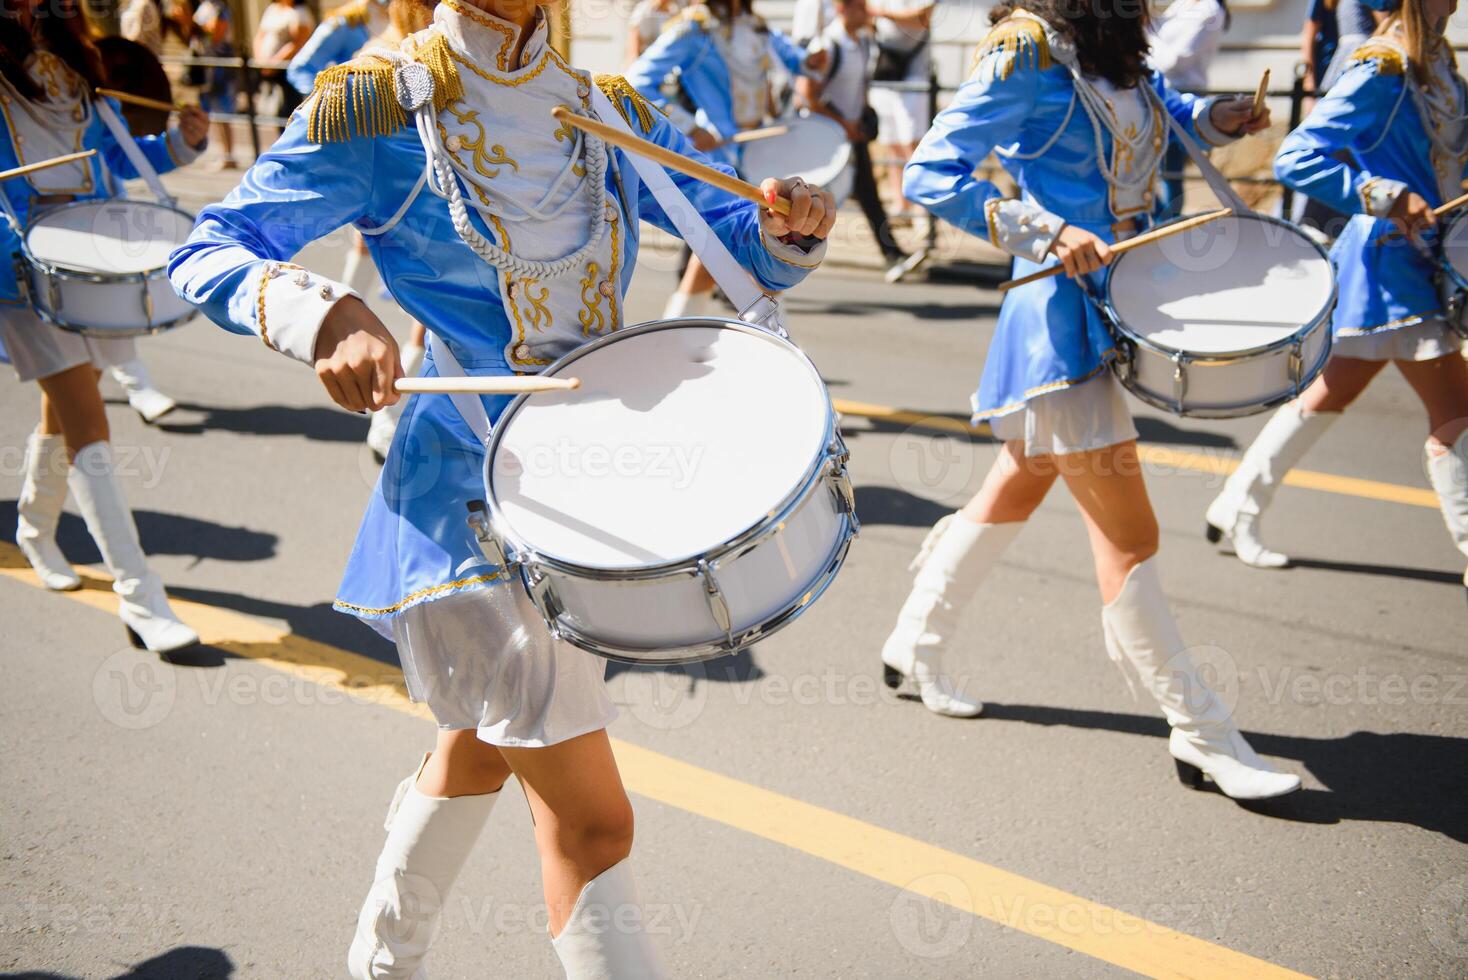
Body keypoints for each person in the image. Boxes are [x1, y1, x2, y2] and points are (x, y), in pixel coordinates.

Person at [167, 0, 835, 972]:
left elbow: (743, 245)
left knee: (480, 745)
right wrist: (326, 312)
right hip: (469, 503)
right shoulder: (382, 110)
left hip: (596, 494)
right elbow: (211, 247)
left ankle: (378, 961)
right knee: (595, 823)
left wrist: (794, 223)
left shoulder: (606, 109)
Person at [887, 3, 1298, 801]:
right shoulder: (1025, 50)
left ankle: (914, 641)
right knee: (1132, 536)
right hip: (1059, 322)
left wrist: (1219, 117)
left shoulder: (1109, 46)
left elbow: (1158, 117)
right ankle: (1203, 732)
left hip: (1132, 299)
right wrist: (1042, 229)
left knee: (1020, 479)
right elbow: (928, 171)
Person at [1206, 0, 1468, 602]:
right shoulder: (1382, 66)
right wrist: (1383, 194)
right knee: (1455, 417)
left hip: (1426, 261)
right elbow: (1297, 156)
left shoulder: (1439, 60)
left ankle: (1236, 505)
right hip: (1391, 264)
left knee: (1332, 391)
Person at [2, 0, 209, 652]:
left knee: (66, 407)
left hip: (94, 250)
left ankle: (34, 529)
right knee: (89, 419)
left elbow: (120, 158)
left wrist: (182, 142)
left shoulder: (73, 59)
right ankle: (140, 597)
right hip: (21, 266)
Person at [627, 0, 827, 317]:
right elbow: (638, 80)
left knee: (725, 250)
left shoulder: (756, 24)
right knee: (723, 248)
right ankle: (765, 342)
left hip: (762, 154)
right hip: (717, 155)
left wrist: (813, 59)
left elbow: (794, 60)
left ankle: (687, 340)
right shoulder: (693, 28)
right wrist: (690, 126)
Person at [285, 0, 422, 462]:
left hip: (445, 169)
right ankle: (376, 397)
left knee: (433, 315)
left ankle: (389, 418)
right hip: (389, 164)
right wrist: (350, 114)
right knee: (366, 269)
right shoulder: (352, 22)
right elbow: (303, 70)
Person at [796, 0, 917, 281]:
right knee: (814, 196)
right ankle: (789, 253)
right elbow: (807, 95)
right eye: (859, 6)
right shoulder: (827, 45)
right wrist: (843, 124)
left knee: (868, 195)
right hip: (825, 140)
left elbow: (859, 88)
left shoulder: (863, 44)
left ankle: (892, 254)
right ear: (843, 9)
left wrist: (861, 119)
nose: (866, 11)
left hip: (851, 136)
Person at [1147, 0, 1228, 217]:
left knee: (1171, 170)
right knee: (1151, 169)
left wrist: (1142, 35)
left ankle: (1168, 223)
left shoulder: (1210, 9)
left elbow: (1175, 60)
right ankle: (1161, 222)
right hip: (1158, 91)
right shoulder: (1183, 3)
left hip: (1181, 94)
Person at [252, 0, 314, 137]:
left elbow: (299, 42)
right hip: (269, 71)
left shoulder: (300, 12)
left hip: (288, 72)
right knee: (276, 111)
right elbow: (260, 36)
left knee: (289, 112)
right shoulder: (272, 9)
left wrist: (275, 63)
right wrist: (261, 61)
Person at [192, 0, 238, 169]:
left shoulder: (221, 9)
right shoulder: (204, 7)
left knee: (223, 110)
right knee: (213, 111)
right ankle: (224, 153)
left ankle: (229, 155)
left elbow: (215, 35)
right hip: (207, 65)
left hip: (220, 67)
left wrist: (194, 24)